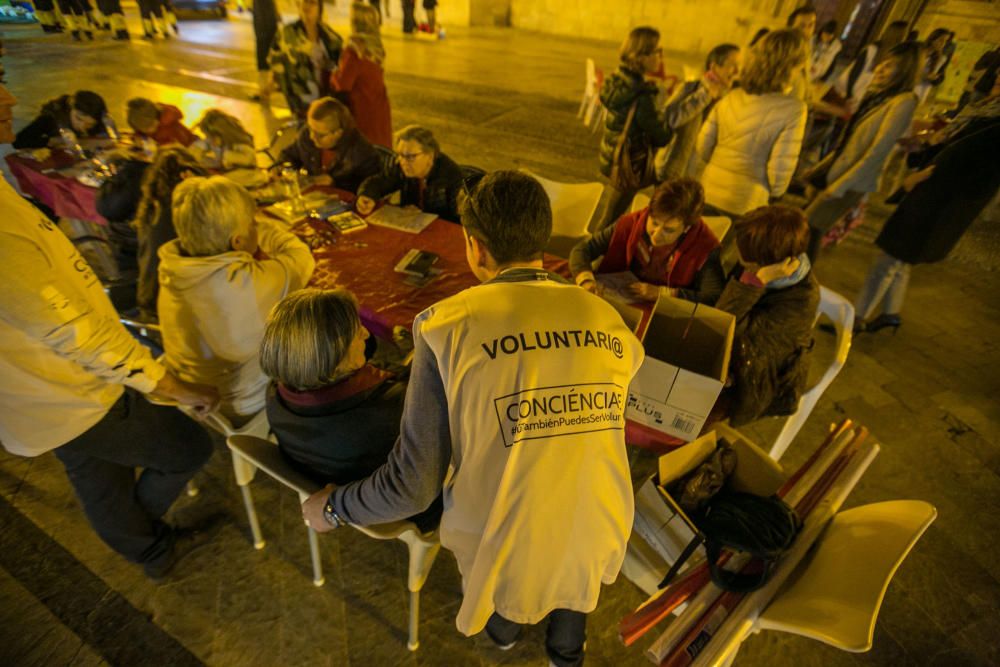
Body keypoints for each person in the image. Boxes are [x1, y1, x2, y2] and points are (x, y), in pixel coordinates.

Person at [302, 170, 644, 667]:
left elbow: (412, 486)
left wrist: (334, 508)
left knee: (506, 593)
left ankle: (503, 635)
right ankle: (565, 655)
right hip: (601, 515)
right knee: (575, 585)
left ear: (475, 247)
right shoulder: (606, 317)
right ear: (540, 237)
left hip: (504, 532)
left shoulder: (447, 327)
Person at [0, 86, 218, 581]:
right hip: (70, 389)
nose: (10, 96)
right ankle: (148, 540)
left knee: (96, 476)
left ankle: (147, 550)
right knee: (188, 448)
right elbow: (72, 330)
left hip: (39, 395)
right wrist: (170, 385)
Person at [259, 288, 441, 532]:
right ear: (336, 360)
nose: (366, 333)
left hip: (332, 479)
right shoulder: (394, 406)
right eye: (357, 332)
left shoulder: (275, 395)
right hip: (414, 510)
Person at [158, 176, 315, 425]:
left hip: (193, 392)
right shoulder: (245, 282)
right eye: (252, 223)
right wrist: (264, 227)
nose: (256, 225)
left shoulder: (172, 268)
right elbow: (301, 257)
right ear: (237, 241)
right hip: (244, 403)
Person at [853, 82, 1000, 335]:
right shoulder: (980, 112)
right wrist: (928, 146)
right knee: (901, 256)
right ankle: (890, 314)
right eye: (996, 80)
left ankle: (856, 318)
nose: (994, 85)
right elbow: (949, 149)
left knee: (891, 256)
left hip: (941, 203)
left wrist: (928, 176)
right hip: (931, 194)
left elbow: (978, 176)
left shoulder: (994, 126)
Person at [803, 42, 921, 262]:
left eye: (889, 66)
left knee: (808, 229)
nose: (880, 69)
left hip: (851, 181)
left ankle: (795, 285)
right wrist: (822, 169)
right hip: (836, 171)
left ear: (903, 70)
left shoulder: (903, 102)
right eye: (882, 63)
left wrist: (840, 186)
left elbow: (877, 151)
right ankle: (795, 284)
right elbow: (849, 140)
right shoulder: (877, 95)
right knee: (809, 231)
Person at [715, 205, 819, 426]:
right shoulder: (756, 258)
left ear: (772, 262)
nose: (738, 254)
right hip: (730, 359)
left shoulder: (802, 299)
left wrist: (756, 281)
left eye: (749, 261)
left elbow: (722, 323)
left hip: (752, 381)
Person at [694, 29, 808, 218]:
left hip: (708, 190)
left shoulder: (731, 97)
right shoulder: (794, 110)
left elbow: (703, 146)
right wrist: (775, 193)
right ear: (793, 67)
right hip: (745, 201)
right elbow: (779, 172)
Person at [570, 178, 725, 305]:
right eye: (655, 223)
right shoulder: (632, 223)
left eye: (669, 230)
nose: (656, 235)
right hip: (616, 300)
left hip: (663, 314)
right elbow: (583, 249)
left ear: (686, 228)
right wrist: (586, 280)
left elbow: (712, 296)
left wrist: (664, 293)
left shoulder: (704, 246)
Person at [596, 26, 673, 229]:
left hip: (614, 156)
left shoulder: (616, 80)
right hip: (630, 164)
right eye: (657, 51)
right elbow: (662, 136)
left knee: (610, 212)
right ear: (641, 56)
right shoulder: (642, 96)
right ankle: (591, 256)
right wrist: (668, 114)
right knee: (610, 220)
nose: (661, 57)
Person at [133, 147, 207, 322]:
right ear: (187, 177)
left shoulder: (153, 206)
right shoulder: (184, 213)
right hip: (171, 312)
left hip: (149, 299)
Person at [657, 43, 741, 180]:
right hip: (673, 174)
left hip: (699, 178)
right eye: (733, 65)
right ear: (714, 67)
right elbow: (670, 119)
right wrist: (705, 94)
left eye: (740, 65)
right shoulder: (691, 89)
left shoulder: (729, 100)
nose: (737, 71)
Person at [356, 124, 464, 222]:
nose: (403, 162)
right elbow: (381, 181)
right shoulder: (401, 165)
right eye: (400, 155)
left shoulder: (451, 177)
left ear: (430, 156)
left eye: (410, 157)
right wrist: (367, 195)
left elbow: (458, 220)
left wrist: (423, 216)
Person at [277, 96, 381, 192]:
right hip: (313, 199)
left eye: (320, 135)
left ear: (338, 133)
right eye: (310, 128)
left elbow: (369, 188)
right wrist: (282, 169)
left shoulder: (361, 152)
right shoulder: (307, 135)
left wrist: (334, 183)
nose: (312, 136)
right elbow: (289, 155)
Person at [330, 2, 392, 147]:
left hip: (361, 108)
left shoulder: (354, 50)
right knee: (380, 147)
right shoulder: (376, 48)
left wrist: (332, 73)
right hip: (378, 105)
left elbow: (342, 84)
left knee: (363, 149)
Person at [267, 0, 343, 118]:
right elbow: (275, 63)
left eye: (312, 2)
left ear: (319, 8)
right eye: (304, 2)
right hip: (298, 100)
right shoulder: (286, 33)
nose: (307, 6)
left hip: (324, 98)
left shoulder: (331, 37)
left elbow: (339, 68)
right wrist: (278, 87)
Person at [834, 20, 907, 113]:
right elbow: (854, 74)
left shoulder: (895, 57)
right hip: (851, 94)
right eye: (903, 35)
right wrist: (848, 96)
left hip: (865, 99)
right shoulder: (871, 50)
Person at [13, 90, 111, 149]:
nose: (82, 127)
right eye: (78, 119)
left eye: (89, 124)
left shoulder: (100, 118)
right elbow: (18, 142)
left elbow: (110, 139)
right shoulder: (52, 117)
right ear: (70, 108)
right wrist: (53, 141)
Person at [191, 109, 257, 171]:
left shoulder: (239, 147)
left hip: (246, 177)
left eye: (211, 137)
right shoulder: (227, 146)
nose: (210, 141)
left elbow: (248, 160)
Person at [126, 97, 196, 147]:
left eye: (149, 126)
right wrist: (138, 139)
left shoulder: (171, 126)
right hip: (156, 151)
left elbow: (184, 145)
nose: (148, 131)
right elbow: (141, 136)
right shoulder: (143, 128)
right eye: (143, 129)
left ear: (157, 118)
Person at [787, 5, 817, 102]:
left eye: (811, 25)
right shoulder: (784, 52)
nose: (806, 31)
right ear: (790, 27)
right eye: (802, 26)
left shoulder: (807, 49)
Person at [251, 0, 280, 103]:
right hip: (263, 34)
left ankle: (264, 92)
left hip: (265, 34)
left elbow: (268, 16)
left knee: (264, 65)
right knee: (264, 65)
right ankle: (263, 91)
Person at [915, 28, 953, 103]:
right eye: (941, 40)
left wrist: (935, 78)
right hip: (908, 89)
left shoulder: (941, 58)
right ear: (933, 39)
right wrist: (922, 75)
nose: (943, 44)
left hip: (921, 92)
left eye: (946, 41)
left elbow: (941, 77)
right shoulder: (918, 51)